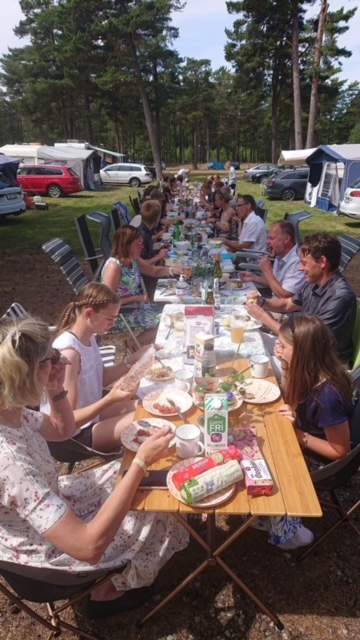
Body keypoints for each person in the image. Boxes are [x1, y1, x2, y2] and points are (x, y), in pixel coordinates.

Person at [0, 316, 188, 618]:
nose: (60, 361)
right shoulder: (10, 462)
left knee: (140, 479)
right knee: (156, 502)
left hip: (54, 506)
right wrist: (140, 462)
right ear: (27, 375)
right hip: (47, 561)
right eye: (51, 360)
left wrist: (56, 390)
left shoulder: (11, 414)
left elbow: (62, 430)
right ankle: (109, 592)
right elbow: (89, 547)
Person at [49, 282, 147, 452]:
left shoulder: (89, 337)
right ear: (89, 313)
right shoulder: (69, 353)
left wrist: (133, 361)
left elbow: (101, 378)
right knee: (148, 421)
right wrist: (110, 398)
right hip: (73, 436)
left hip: (91, 414)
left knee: (148, 407)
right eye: (110, 318)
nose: (113, 324)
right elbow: (68, 419)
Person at [245, 233, 357, 364]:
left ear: (322, 262)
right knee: (249, 342)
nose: (300, 268)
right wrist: (262, 302)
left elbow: (301, 340)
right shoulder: (316, 283)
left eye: (304, 263)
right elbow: (287, 304)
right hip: (302, 351)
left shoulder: (340, 298)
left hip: (324, 366)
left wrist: (263, 317)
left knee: (254, 360)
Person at [277, 314, 353, 461]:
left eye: (283, 345)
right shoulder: (308, 371)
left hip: (318, 461)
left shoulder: (328, 398)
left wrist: (295, 432)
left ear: (301, 352)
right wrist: (285, 363)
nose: (278, 348)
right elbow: (288, 395)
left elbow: (339, 451)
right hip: (302, 432)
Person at [102, 225, 184, 347]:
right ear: (126, 245)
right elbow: (106, 302)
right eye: (138, 244)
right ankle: (133, 344)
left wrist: (174, 270)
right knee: (171, 320)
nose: (142, 246)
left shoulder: (133, 259)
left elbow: (153, 271)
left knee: (177, 312)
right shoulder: (114, 267)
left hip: (137, 307)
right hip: (121, 314)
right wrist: (138, 298)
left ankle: (136, 345)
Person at [241, 220, 305, 298]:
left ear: (286, 239)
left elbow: (285, 296)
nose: (267, 242)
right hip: (274, 302)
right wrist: (254, 278)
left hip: (284, 308)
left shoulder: (297, 262)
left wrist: (267, 271)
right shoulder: (280, 254)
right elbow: (274, 282)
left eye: (271, 238)